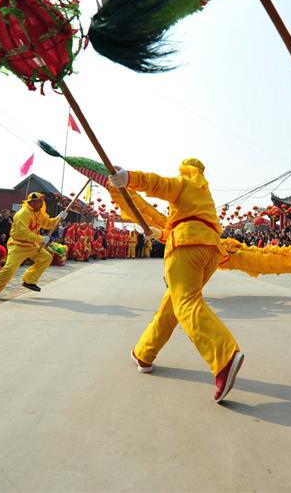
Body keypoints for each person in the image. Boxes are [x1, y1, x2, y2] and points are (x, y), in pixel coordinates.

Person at [110, 158, 244, 403]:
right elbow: (189, 223)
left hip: (187, 248)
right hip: (209, 250)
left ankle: (224, 356)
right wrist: (158, 233)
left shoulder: (184, 182)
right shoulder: (205, 196)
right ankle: (144, 353)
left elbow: (158, 184)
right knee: (172, 305)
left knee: (186, 303)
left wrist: (129, 177)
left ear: (185, 169)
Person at [0, 192, 62, 299]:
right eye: (38, 201)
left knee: (46, 257)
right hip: (18, 245)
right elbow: (22, 232)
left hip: (31, 245)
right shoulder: (23, 213)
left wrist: (58, 218)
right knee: (9, 268)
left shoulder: (39, 213)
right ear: (31, 202)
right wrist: (40, 239)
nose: (41, 203)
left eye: (41, 201)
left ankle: (29, 280)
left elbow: (48, 224)